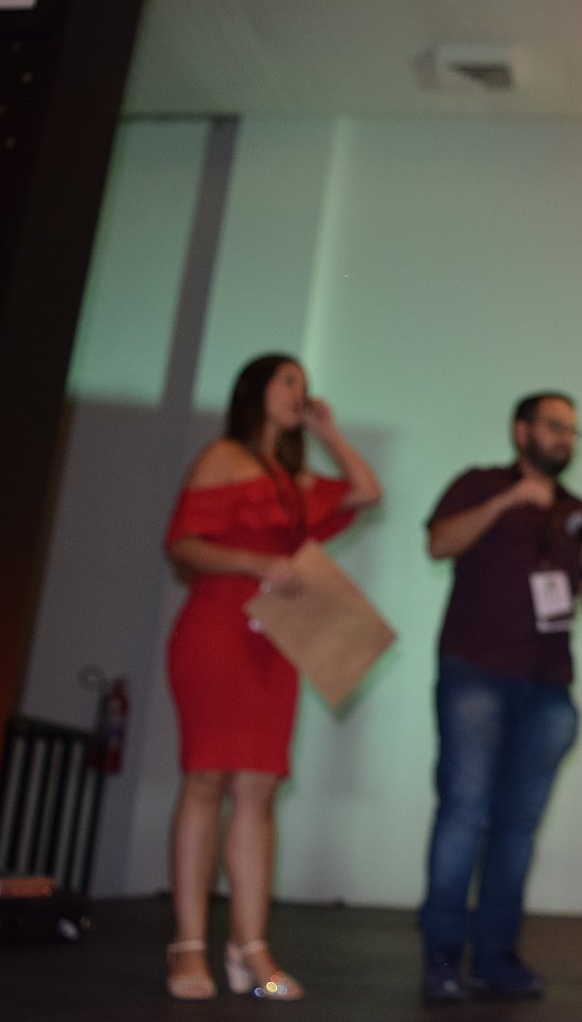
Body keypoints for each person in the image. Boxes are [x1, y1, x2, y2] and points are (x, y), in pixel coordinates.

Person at [162, 353, 382, 1001]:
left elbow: (367, 492)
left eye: (304, 385)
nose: (299, 392)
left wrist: (326, 430)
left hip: (275, 640)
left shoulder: (293, 479)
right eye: (288, 381)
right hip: (216, 630)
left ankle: (249, 946)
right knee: (206, 778)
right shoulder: (222, 456)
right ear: (254, 389)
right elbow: (182, 544)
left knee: (258, 788)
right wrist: (255, 561)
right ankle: (188, 945)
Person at [418, 392, 582, 1003]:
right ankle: (442, 956)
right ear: (521, 430)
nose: (565, 439)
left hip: (548, 685)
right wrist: (506, 502)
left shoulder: (578, 512)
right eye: (555, 427)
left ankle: (496, 956)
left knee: (519, 827)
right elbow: (439, 543)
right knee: (464, 812)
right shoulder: (480, 484)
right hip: (475, 675)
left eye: (573, 432)